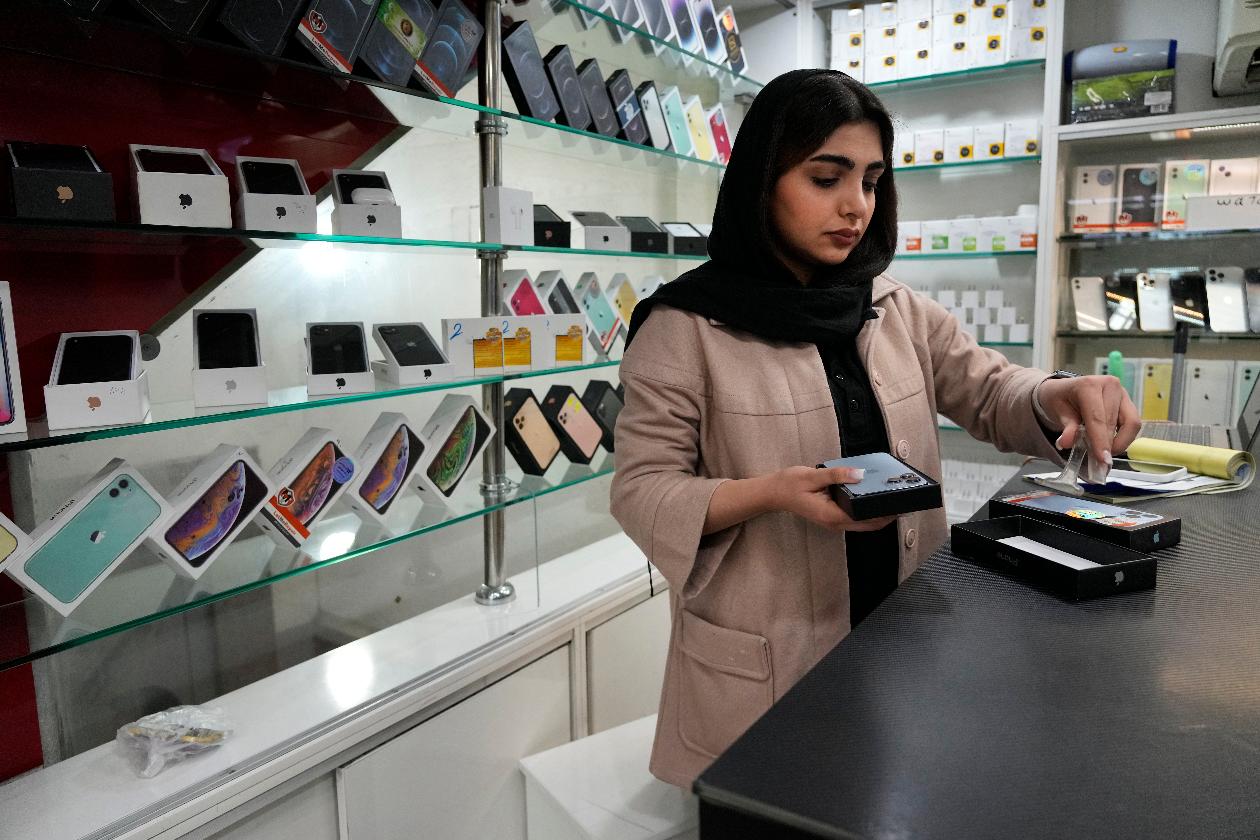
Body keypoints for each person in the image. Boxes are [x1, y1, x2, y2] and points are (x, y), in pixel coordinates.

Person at [608, 69, 1141, 790]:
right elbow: (641, 490)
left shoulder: (893, 306)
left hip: (899, 636)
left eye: (871, 180)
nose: (855, 206)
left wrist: (1058, 393)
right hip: (764, 665)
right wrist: (772, 492)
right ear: (763, 178)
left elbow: (987, 388)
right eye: (826, 178)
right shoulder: (683, 329)